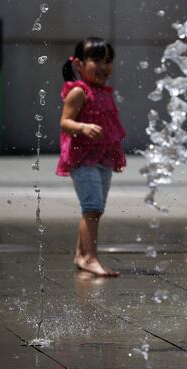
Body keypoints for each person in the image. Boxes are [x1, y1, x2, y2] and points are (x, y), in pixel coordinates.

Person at [57, 37, 126, 277]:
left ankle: (80, 254)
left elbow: (111, 128)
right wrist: (82, 127)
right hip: (82, 159)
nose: (103, 66)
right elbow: (64, 122)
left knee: (94, 209)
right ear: (79, 64)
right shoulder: (78, 92)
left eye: (108, 61)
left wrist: (116, 156)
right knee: (92, 208)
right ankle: (90, 258)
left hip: (102, 160)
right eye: (96, 60)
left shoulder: (105, 92)